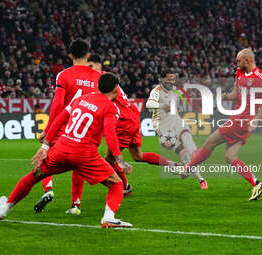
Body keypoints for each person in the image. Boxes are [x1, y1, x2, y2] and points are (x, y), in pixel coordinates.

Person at [0, 72, 133, 228]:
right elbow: (109, 133)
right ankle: (108, 217)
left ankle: (4, 209)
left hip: (61, 148)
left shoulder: (80, 99)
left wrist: (45, 145)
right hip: (85, 154)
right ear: (116, 89)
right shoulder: (111, 107)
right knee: (116, 184)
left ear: (98, 86)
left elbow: (60, 118)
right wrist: (120, 161)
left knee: (34, 176)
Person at [65, 55, 179, 215]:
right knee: (138, 156)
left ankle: (124, 188)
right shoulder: (108, 79)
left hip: (123, 122)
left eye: (92, 65)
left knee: (107, 162)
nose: (89, 69)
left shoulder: (101, 80)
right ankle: (173, 165)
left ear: (99, 66)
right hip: (132, 116)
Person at [186, 48, 262, 201]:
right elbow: (235, 93)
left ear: (248, 60)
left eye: (239, 61)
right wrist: (225, 97)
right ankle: (256, 183)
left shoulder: (260, 78)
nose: (237, 63)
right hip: (239, 120)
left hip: (241, 119)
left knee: (210, 141)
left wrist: (256, 119)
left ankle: (187, 168)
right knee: (230, 157)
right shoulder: (240, 72)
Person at [34, 38, 101, 213]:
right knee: (79, 165)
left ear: (70, 54)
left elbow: (57, 106)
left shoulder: (64, 75)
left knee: (44, 157)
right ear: (88, 55)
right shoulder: (98, 78)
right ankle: (76, 204)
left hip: (64, 125)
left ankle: (48, 189)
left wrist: (48, 131)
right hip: (85, 127)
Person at [146, 70, 208, 189]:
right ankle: (195, 175)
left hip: (176, 121)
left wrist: (186, 90)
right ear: (162, 79)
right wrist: (162, 106)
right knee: (183, 155)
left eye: (173, 79)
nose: (171, 81)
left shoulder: (173, 91)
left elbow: (178, 93)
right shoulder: (156, 91)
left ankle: (196, 156)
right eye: (169, 79)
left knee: (185, 135)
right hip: (165, 128)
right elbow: (149, 104)